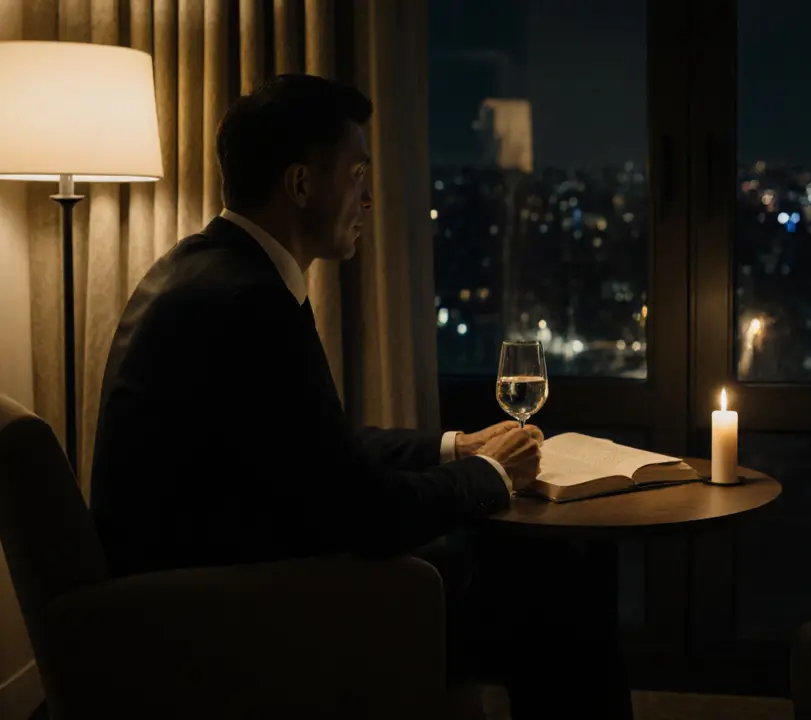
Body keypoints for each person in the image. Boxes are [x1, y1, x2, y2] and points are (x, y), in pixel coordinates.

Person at [91, 74, 625, 717]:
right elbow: (364, 512)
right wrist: (490, 476)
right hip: (222, 610)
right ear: (301, 185)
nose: (369, 197)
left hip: (218, 570)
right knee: (559, 576)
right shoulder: (248, 302)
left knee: (525, 561)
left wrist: (456, 447)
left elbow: (317, 450)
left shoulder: (208, 269)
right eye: (357, 173)